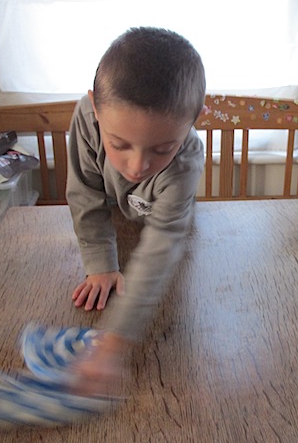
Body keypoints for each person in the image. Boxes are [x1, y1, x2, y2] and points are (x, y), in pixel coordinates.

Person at [65, 27, 206, 395]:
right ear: (95, 107)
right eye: (118, 144)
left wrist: (114, 342)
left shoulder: (187, 161)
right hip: (117, 217)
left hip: (166, 228)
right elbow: (85, 193)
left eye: (162, 149)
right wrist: (100, 263)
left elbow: (162, 244)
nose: (137, 165)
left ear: (193, 120)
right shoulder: (85, 118)